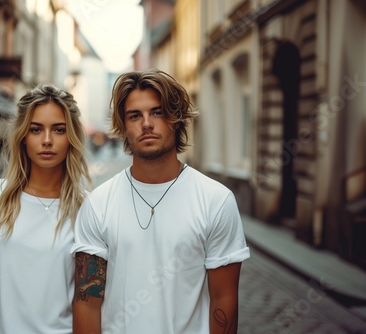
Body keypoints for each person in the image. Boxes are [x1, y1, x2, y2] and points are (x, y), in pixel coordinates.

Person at [71, 69, 250, 334]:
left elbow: (223, 300)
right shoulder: (99, 204)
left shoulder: (216, 200)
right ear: (123, 126)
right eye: (135, 115)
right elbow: (88, 302)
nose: (146, 123)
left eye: (157, 112)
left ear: (176, 119)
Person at [0, 84, 92, 333]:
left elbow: (89, 299)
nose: (47, 141)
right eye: (36, 129)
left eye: (59, 130)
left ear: (71, 137)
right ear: (23, 136)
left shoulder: (88, 209)